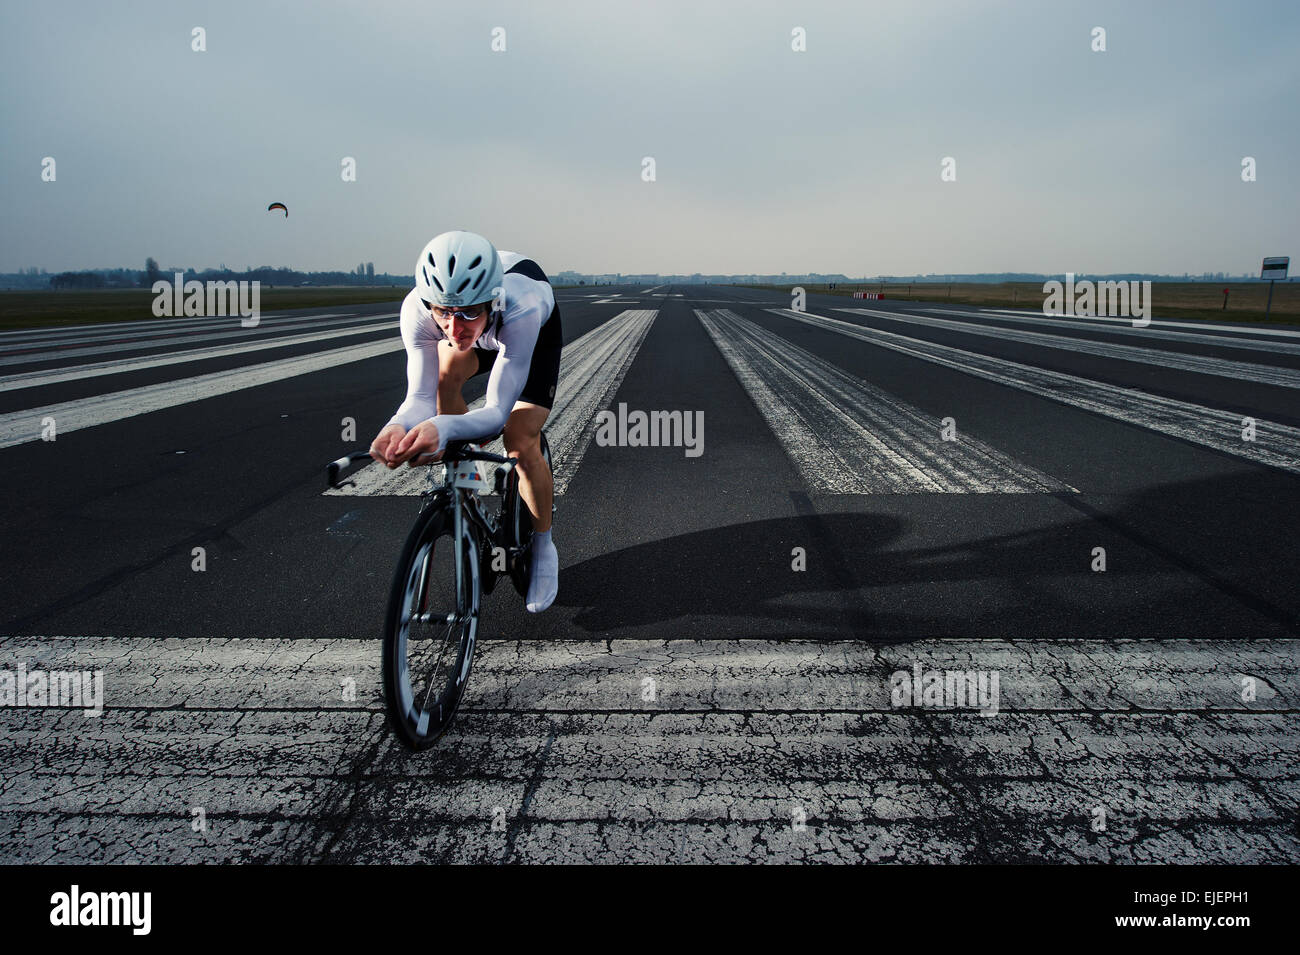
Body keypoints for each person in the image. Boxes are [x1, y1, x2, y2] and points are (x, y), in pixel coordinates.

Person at [369, 230, 562, 613]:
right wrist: (396, 426)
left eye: (469, 312)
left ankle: (544, 545)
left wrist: (442, 428)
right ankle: (467, 480)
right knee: (444, 376)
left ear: (493, 299)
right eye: (444, 313)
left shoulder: (523, 305)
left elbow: (495, 413)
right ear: (429, 303)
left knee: (519, 439)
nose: (455, 329)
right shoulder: (417, 310)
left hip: (526, 340)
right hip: (488, 332)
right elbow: (420, 398)